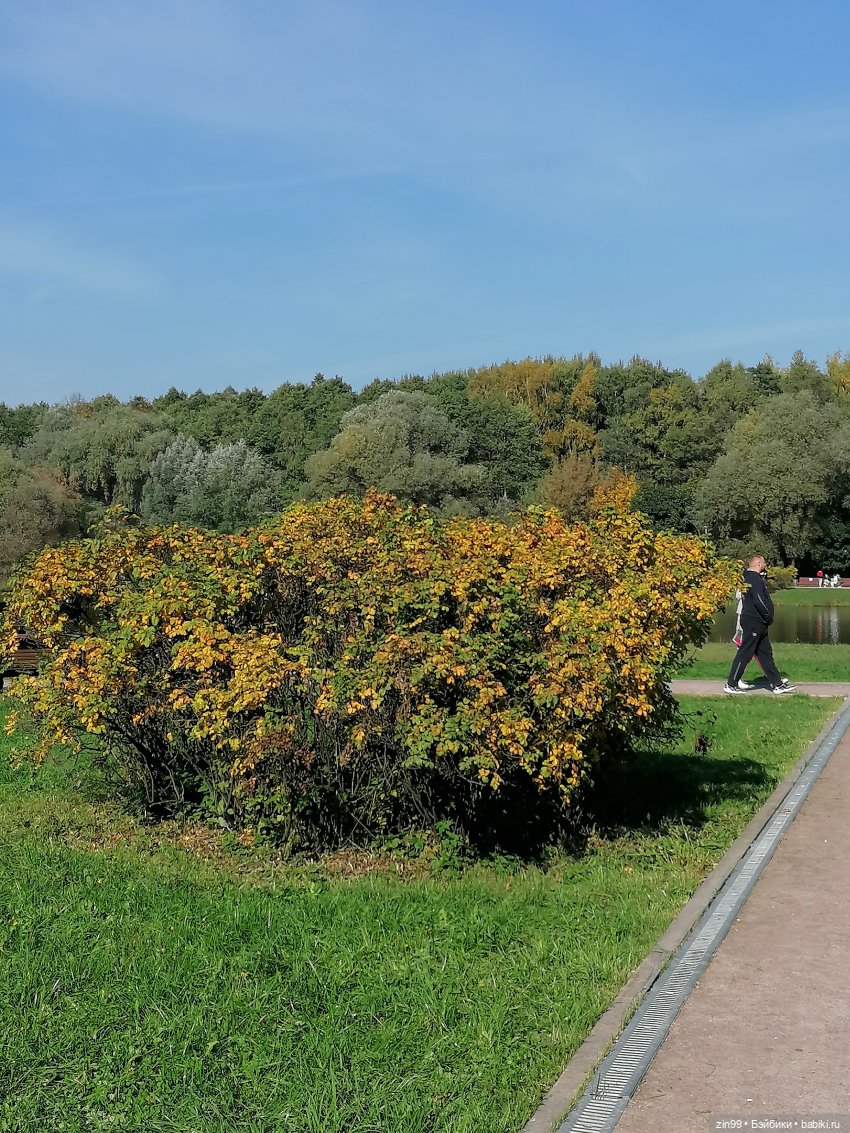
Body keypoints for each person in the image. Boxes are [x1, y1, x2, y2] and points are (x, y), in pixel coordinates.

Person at [724, 554, 796, 695]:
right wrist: (768, 615)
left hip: (759, 622)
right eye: (764, 562)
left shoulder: (748, 578)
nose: (765, 564)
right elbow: (759, 600)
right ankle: (731, 684)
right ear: (758, 564)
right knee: (745, 652)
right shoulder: (754, 579)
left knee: (765, 654)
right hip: (754, 621)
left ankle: (777, 684)